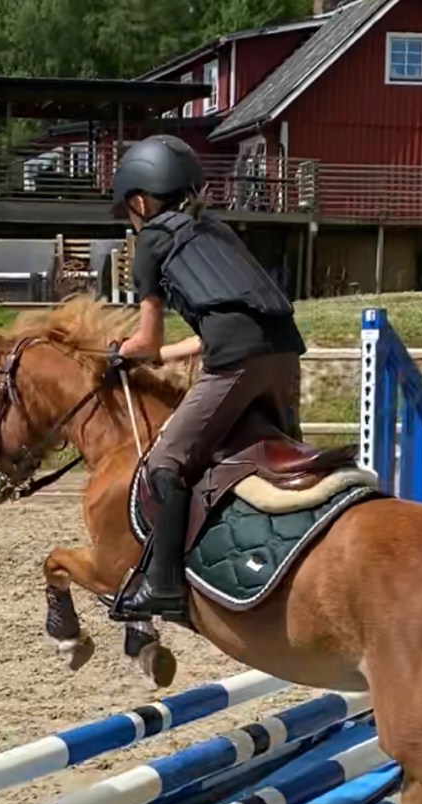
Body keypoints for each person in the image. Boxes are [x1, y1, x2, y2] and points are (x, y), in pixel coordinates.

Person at [109, 135, 306, 624]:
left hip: (237, 362)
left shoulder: (152, 239)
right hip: (283, 354)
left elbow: (146, 339)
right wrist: (157, 358)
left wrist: (119, 353)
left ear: (139, 201)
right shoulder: (216, 230)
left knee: (166, 462)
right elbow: (212, 332)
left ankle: (163, 585)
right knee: (284, 460)